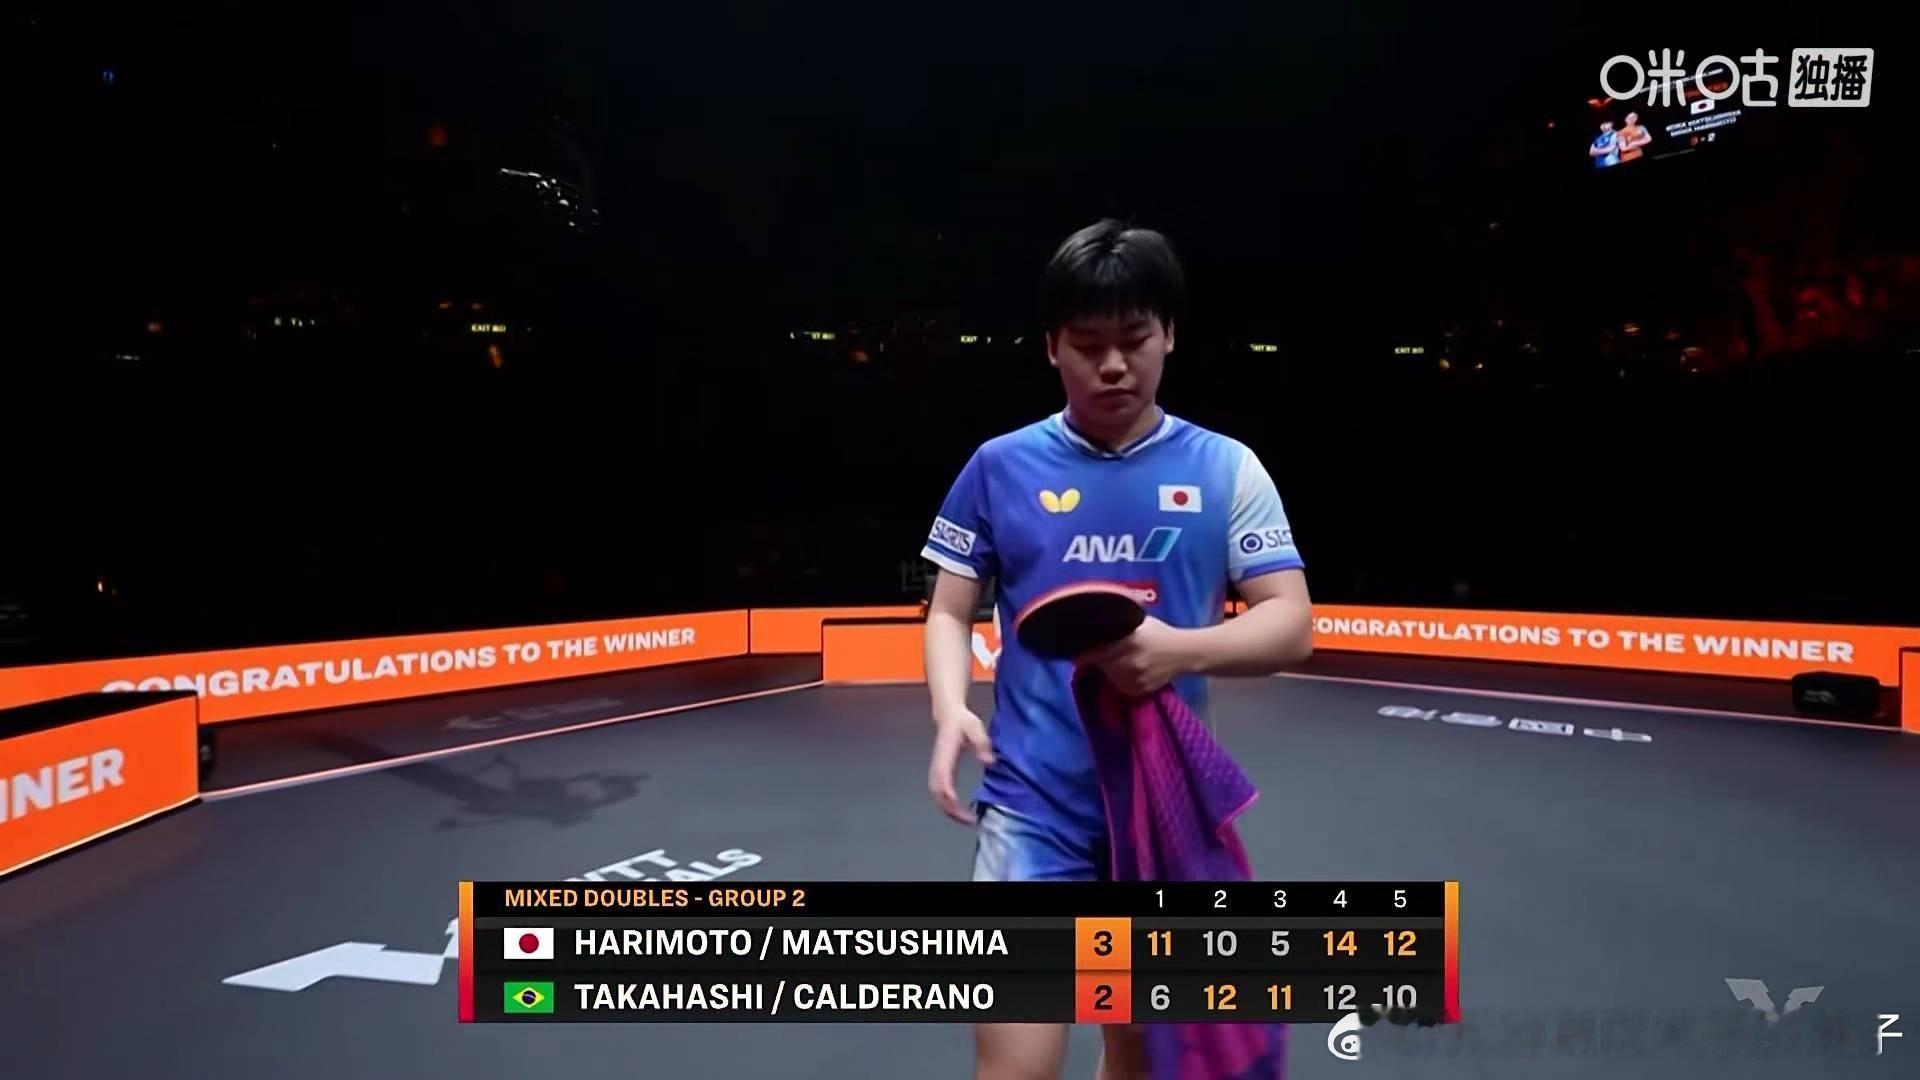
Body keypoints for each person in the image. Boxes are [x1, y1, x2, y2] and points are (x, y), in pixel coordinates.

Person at [919, 219, 1314, 1080]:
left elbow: (1291, 622)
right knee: (1015, 1067)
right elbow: (948, 611)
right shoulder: (998, 465)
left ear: (1168, 334)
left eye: (1133, 340)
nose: (1112, 366)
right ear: (1050, 347)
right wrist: (950, 708)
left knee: (1136, 1051)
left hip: (1158, 818)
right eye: (1087, 344)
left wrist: (1180, 651)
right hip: (1031, 808)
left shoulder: (1228, 468)